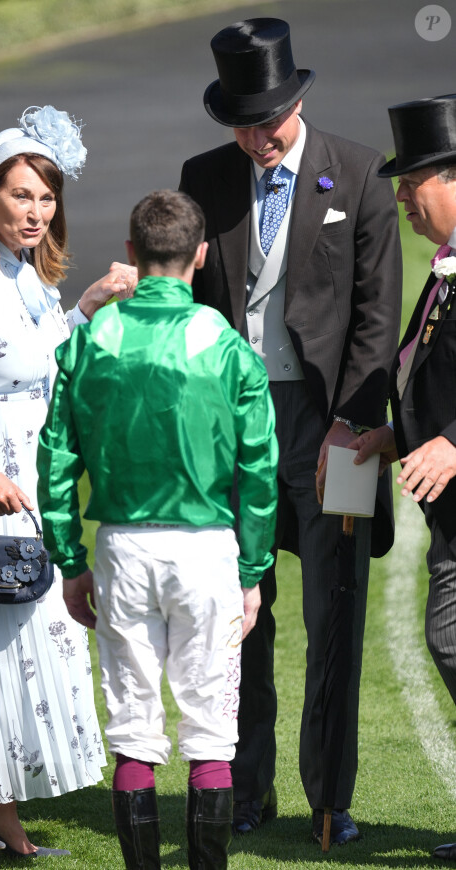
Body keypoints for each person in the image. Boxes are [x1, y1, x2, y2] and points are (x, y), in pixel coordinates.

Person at [178, 18, 402, 844]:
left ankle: (328, 801)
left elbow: (377, 318)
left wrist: (353, 426)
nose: (255, 137)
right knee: (237, 619)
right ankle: (246, 790)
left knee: (335, 617)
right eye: (240, 123)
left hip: (335, 426)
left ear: (297, 101)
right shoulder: (205, 176)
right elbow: (197, 311)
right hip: (234, 430)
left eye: (265, 121)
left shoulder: (361, 174)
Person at [0, 104, 137, 857]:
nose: (36, 211)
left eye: (47, 197)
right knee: (5, 629)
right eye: (21, 195)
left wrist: (87, 305)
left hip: (30, 474)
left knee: (29, 639)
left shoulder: (25, 274)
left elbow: (36, 357)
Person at [37, 189, 278, 869]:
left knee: (135, 725)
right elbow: (259, 469)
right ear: (201, 255)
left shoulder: (92, 339)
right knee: (209, 727)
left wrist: (70, 559)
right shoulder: (225, 344)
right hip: (206, 549)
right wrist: (253, 572)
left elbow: (55, 457)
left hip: (122, 545)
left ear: (131, 254)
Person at [350, 94, 456, 863]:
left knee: (449, 637)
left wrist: (454, 444)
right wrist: (402, 435)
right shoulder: (443, 275)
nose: (400, 198)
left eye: (410, 179)